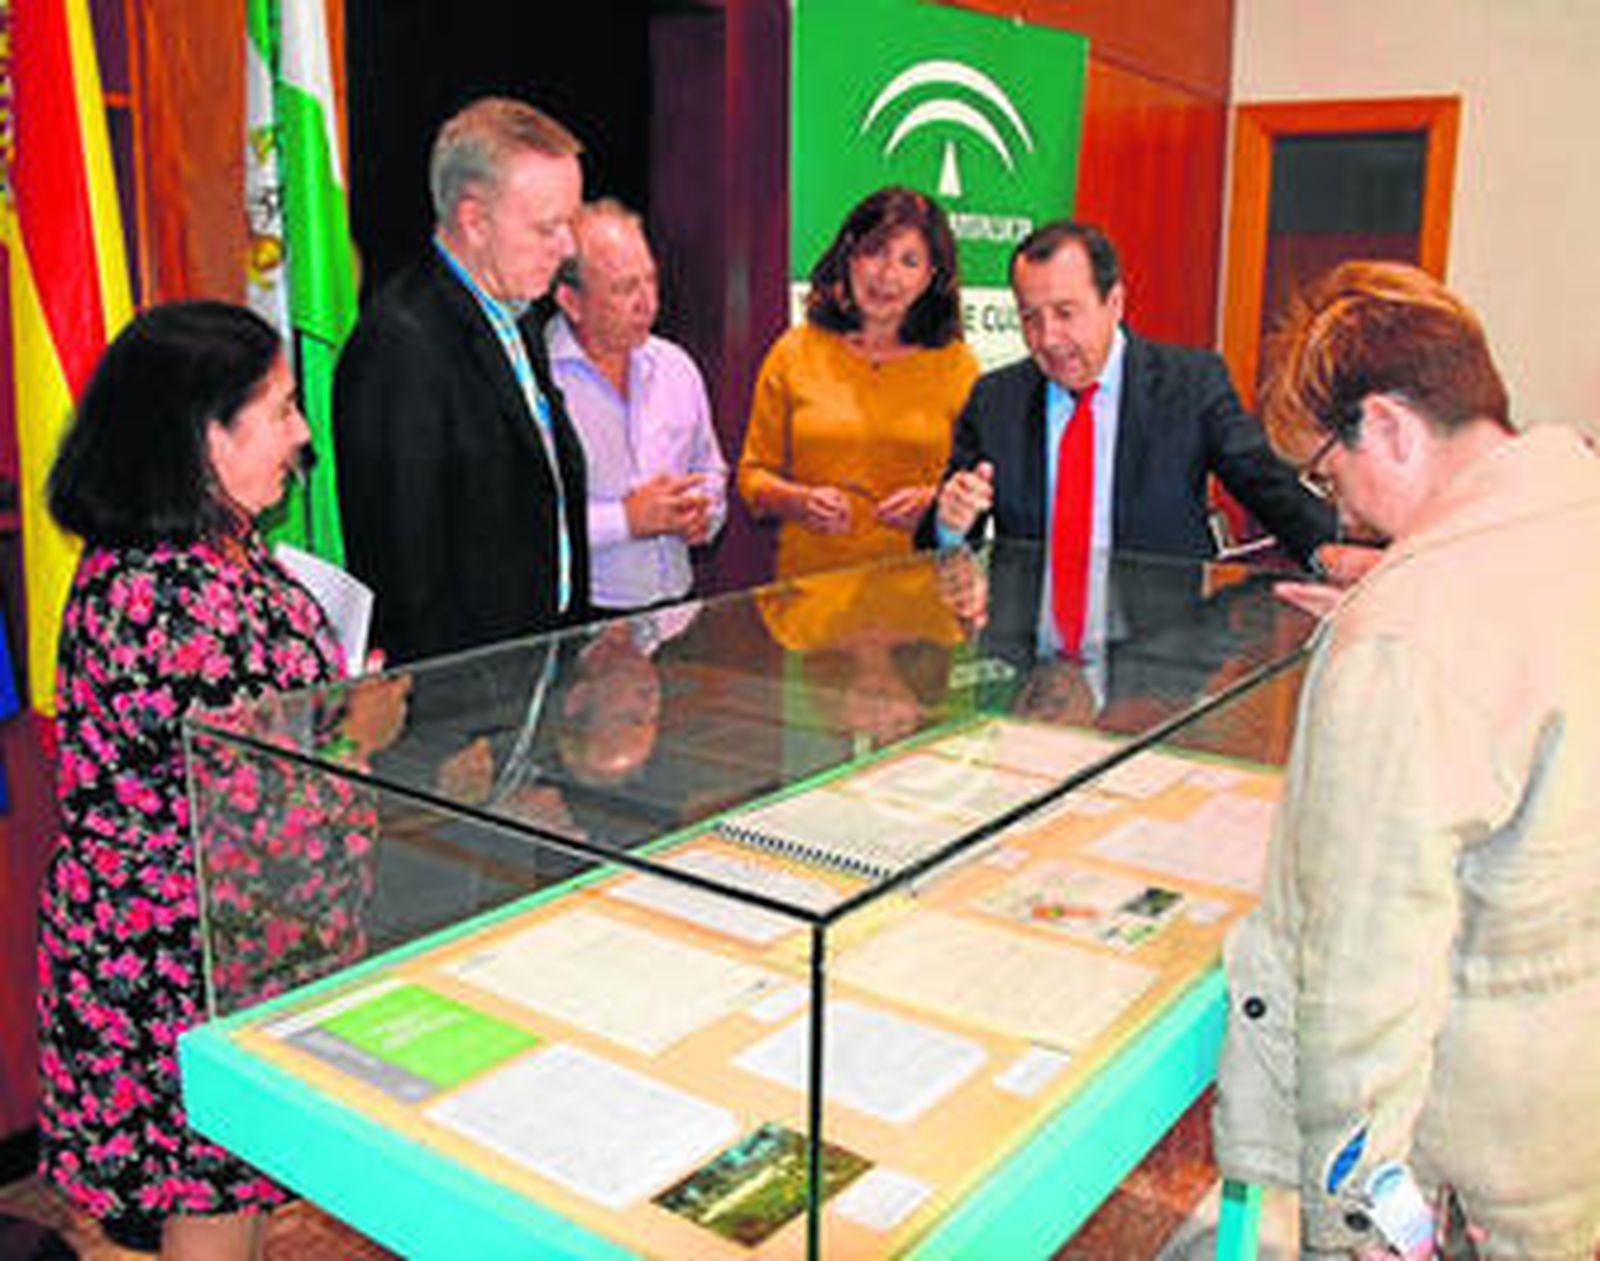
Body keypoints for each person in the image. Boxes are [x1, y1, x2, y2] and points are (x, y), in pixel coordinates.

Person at [1212, 262, 1600, 1258]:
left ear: (1384, 425)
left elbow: (1367, 974)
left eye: (1327, 475)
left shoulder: (1408, 630)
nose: (1339, 509)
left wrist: (1355, 1218)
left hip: (1468, 1170)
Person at [38, 302, 406, 1259]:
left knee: (230, 1193)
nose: (303, 433)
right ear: (206, 434)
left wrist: (326, 707)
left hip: (210, 948)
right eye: (280, 409)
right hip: (186, 963)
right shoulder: (179, 599)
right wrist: (357, 731)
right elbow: (260, 809)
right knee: (208, 1202)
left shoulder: (182, 555)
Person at [925, 221, 1348, 629]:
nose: (1048, 338)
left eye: (1065, 313)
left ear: (1114, 303)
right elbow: (940, 538)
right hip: (1030, 659)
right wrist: (950, 525)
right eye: (1030, 317)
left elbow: (1266, 483)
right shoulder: (996, 399)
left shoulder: (1190, 384)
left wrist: (1329, 552)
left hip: (1163, 653)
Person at [334, 96, 589, 663]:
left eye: (570, 223)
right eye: (547, 227)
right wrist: (454, 714)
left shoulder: (517, 314)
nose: (569, 247)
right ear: (474, 220)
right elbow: (405, 570)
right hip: (466, 695)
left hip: (537, 667)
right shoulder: (402, 345)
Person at [738, 186, 980, 579]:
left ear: (931, 276)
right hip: (810, 596)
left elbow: (975, 489)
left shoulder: (958, 366)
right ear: (849, 255)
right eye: (875, 252)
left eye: (909, 261)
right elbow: (753, 477)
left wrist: (934, 504)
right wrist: (797, 501)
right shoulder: (794, 351)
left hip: (920, 598)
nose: (887, 275)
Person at [548, 199, 727, 612]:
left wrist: (704, 512)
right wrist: (627, 519)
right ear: (571, 301)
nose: (648, 302)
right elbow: (523, 527)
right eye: (624, 288)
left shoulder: (676, 366)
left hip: (679, 612)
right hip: (585, 617)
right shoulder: (539, 382)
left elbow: (710, 469)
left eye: (651, 280)